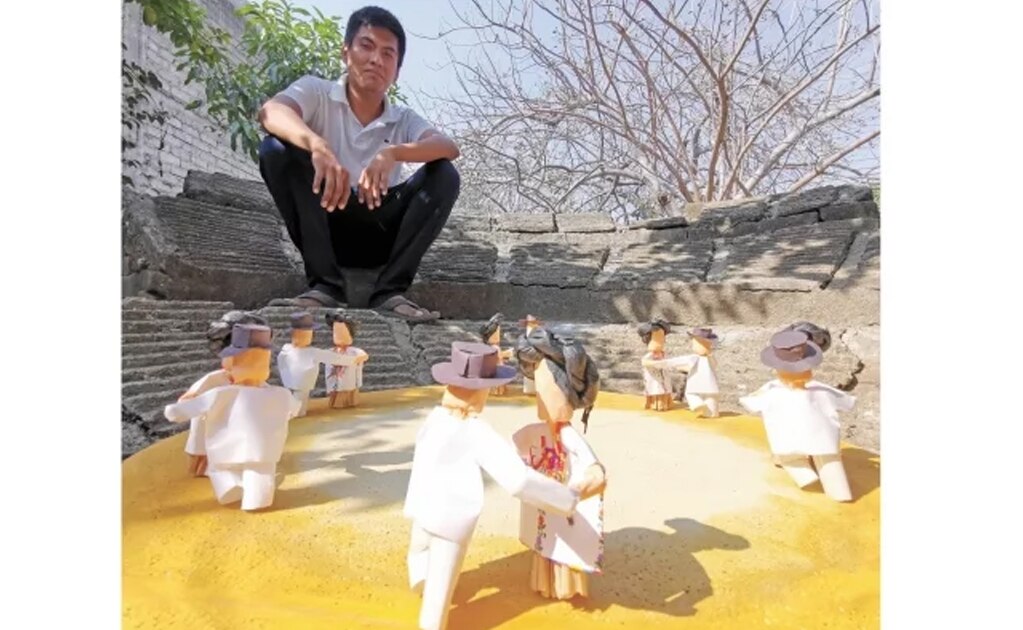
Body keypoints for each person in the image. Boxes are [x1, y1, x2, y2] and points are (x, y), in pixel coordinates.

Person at [257, 6, 460, 322]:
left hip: (381, 233)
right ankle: (325, 285)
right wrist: (317, 145)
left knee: (444, 173)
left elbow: (448, 146)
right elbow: (270, 112)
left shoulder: (403, 118)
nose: (376, 59)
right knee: (275, 148)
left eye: (388, 53)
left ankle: (390, 291)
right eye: (366, 46)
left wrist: (392, 153)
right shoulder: (316, 91)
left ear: (396, 72)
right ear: (346, 53)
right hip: (325, 225)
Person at [403, 341, 602, 630]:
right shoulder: (475, 431)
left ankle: (421, 578)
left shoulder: (435, 418)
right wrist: (566, 498)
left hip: (422, 507)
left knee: (421, 555)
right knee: (439, 590)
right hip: (451, 519)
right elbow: (517, 479)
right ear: (480, 391)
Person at [512, 327, 606, 599]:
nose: (540, 399)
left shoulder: (568, 436)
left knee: (562, 541)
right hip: (546, 496)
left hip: (563, 494)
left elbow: (595, 470)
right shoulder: (537, 432)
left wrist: (584, 485)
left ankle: (565, 585)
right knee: (545, 537)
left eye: (546, 392)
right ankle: (545, 581)